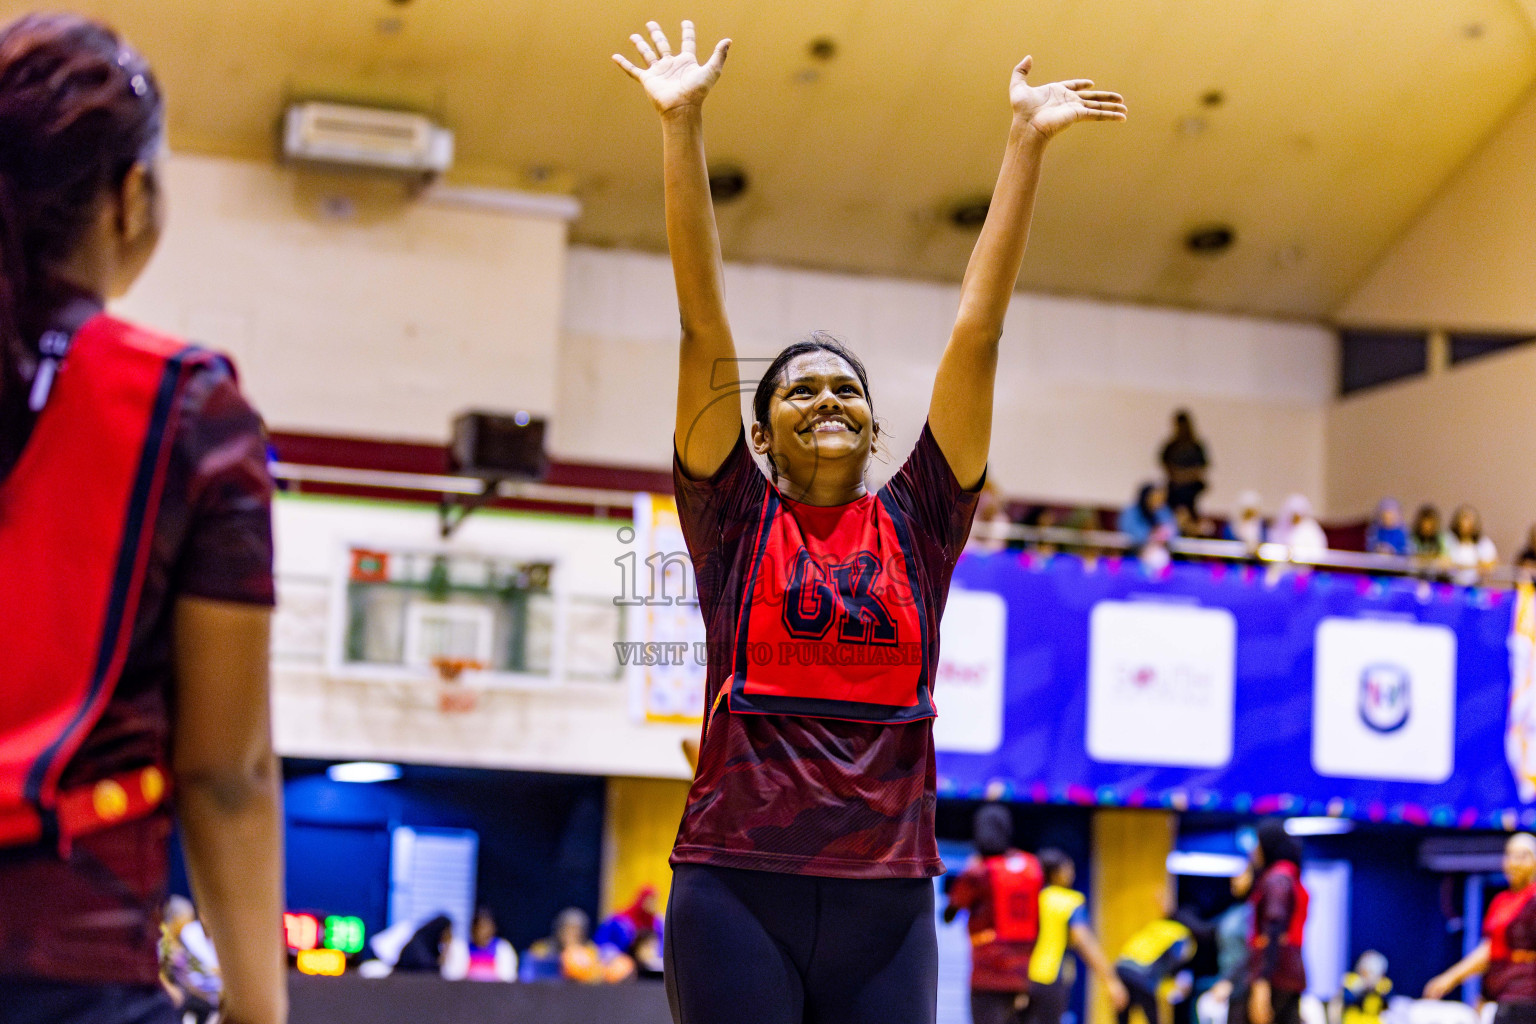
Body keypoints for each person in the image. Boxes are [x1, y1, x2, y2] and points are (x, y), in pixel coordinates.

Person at [611, 18, 1124, 1024]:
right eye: (799, 391)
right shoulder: (730, 517)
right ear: (758, 435)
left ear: (877, 423)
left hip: (886, 902)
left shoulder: (923, 518)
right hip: (733, 886)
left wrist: (1023, 146)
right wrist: (683, 129)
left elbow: (979, 329)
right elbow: (701, 323)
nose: (829, 399)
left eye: (846, 388)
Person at [0, 14, 284, 1024]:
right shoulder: (190, 409)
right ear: (129, 199)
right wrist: (259, 1010)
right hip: (64, 957)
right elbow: (227, 774)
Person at [942, 805, 1045, 1024]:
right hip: (1024, 973)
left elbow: (949, 914)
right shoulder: (1031, 866)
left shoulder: (979, 872)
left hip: (987, 974)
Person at [1424, 832, 1536, 1020]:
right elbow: (1490, 949)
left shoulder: (1533, 900)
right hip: (1501, 997)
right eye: (1510, 855)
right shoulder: (1502, 901)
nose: (1515, 862)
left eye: (1523, 856)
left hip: (1527, 999)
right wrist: (1450, 978)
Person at [1026, 849, 1127, 1024]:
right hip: (1052, 975)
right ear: (1056, 873)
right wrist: (1110, 980)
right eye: (1068, 868)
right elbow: (1083, 939)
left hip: (1024, 976)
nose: (1071, 872)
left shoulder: (1034, 898)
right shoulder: (1069, 901)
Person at [1228, 820, 1308, 1024]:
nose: (1254, 850)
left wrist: (1261, 982)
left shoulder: (1277, 879)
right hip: (1287, 972)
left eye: (1257, 843)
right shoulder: (1287, 874)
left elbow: (1273, 930)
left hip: (1275, 974)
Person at [1114, 910, 1200, 1024]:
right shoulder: (1182, 935)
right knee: (1153, 1018)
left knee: (1123, 1014)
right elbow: (1174, 961)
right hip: (1142, 973)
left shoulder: (1157, 925)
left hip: (1121, 968)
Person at [442, 908, 517, 983]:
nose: (481, 932)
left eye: (485, 927)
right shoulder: (461, 948)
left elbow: (509, 978)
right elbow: (452, 976)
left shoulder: (503, 949)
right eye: (478, 927)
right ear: (472, 929)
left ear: (493, 929)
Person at [1160, 410, 1210, 519]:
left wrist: (1183, 476)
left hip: (1191, 489)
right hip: (1175, 489)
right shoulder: (1171, 446)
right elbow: (1164, 464)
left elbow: (1201, 467)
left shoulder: (1196, 446)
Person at [595, 886, 664, 961]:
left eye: (655, 901)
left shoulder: (657, 923)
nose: (652, 905)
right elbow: (602, 941)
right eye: (649, 900)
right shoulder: (620, 920)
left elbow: (661, 946)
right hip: (621, 961)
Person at [1444, 504, 1497, 586]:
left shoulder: (1482, 543)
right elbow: (1443, 562)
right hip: (1452, 586)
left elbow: (1492, 564)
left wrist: (1479, 567)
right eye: (1463, 519)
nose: (1466, 524)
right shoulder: (1449, 540)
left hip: (1474, 586)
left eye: (1469, 520)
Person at [1334, 951, 1391, 1024]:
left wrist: (1374, 990)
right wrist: (1360, 989)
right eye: (1368, 972)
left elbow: (1389, 1004)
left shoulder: (1382, 986)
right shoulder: (1351, 982)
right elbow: (1343, 1001)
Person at [1270, 496, 1327, 562]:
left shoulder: (1311, 529)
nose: (1295, 518)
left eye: (1298, 515)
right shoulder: (1281, 527)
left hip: (1304, 567)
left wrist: (1296, 554)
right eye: (1293, 515)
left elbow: (1319, 552)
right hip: (1283, 565)